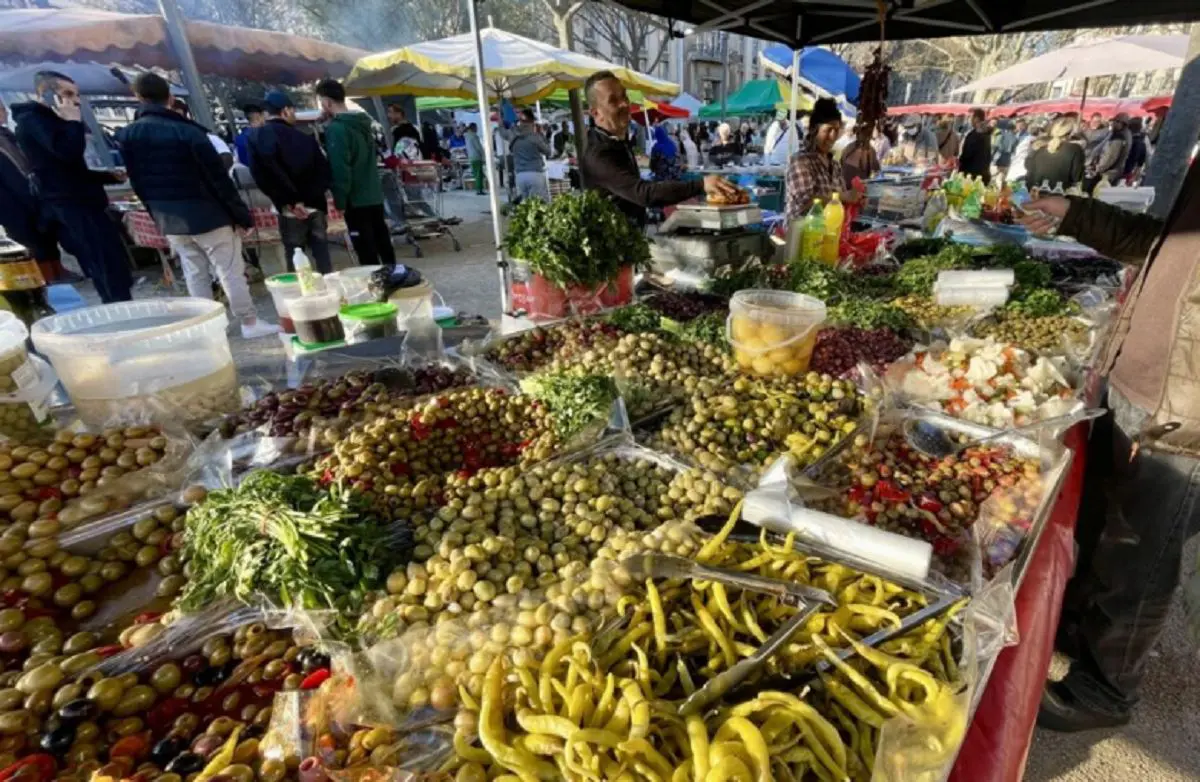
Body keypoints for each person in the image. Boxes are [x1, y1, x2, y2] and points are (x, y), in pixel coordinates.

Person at [1015, 156, 1200, 734]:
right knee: (1103, 522)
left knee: (1143, 548)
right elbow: (1160, 246)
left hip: (1185, 399)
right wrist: (1076, 213)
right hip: (1135, 372)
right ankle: (1076, 628)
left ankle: (1106, 688)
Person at [119, 73, 276, 337]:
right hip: (208, 214)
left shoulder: (128, 136)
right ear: (170, 97)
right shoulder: (188, 132)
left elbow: (138, 182)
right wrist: (240, 215)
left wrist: (157, 215)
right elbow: (217, 179)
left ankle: (208, 327)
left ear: (137, 98)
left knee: (194, 272)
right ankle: (249, 322)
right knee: (229, 271)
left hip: (169, 218)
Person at [12, 71, 131, 303]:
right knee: (104, 263)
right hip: (70, 204)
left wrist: (106, 176)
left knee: (112, 260)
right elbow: (66, 153)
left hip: (80, 199)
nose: (75, 101)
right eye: (67, 94)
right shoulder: (35, 121)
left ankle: (120, 302)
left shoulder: (51, 120)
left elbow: (70, 168)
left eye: (76, 95)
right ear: (46, 94)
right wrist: (72, 122)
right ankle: (118, 308)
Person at [579, 70, 736, 228]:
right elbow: (643, 193)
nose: (624, 104)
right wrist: (701, 185)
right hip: (612, 247)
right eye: (613, 100)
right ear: (596, 113)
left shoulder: (618, 141)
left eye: (624, 96)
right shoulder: (598, 154)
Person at [246, 90, 333, 276]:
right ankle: (331, 291)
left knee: (296, 258)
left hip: (288, 209)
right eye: (293, 110)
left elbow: (263, 176)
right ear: (285, 110)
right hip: (315, 206)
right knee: (322, 255)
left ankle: (301, 299)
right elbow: (324, 172)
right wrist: (309, 199)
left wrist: (291, 202)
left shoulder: (256, 137)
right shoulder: (305, 138)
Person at [315, 79, 394, 267]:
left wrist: (340, 200)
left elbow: (341, 169)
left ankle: (376, 288)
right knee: (382, 241)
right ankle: (395, 278)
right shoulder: (363, 124)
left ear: (327, 102)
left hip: (356, 199)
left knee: (366, 250)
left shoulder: (337, 129)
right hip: (374, 194)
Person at [0, 97, 73, 284]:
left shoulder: (7, 135)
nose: (5, 113)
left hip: (31, 192)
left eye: (3, 108)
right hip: (11, 202)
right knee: (30, 239)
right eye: (1, 110)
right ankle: (45, 276)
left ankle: (59, 270)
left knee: (47, 234)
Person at [784, 98, 861, 220]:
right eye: (828, 130)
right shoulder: (800, 161)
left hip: (828, 235)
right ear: (814, 129)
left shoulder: (835, 165)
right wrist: (842, 197)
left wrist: (856, 199)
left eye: (836, 130)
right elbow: (805, 204)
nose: (832, 136)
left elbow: (841, 202)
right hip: (802, 235)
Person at [1024, 116, 1085, 191]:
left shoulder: (1038, 145)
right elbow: (1076, 177)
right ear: (1070, 134)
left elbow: (1027, 166)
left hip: (1032, 192)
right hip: (1057, 195)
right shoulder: (1075, 149)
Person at [507, 109, 550, 201]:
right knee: (537, 205)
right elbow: (548, 151)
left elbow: (502, 130)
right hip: (535, 174)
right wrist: (541, 134)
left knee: (525, 206)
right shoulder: (535, 137)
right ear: (532, 121)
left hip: (520, 176)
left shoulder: (513, 136)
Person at [1085, 113, 1132, 192]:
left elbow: (1110, 157)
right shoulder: (1124, 134)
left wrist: (1097, 169)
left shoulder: (1119, 137)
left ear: (1122, 124)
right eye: (1114, 121)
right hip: (1112, 171)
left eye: (1116, 121)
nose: (1113, 123)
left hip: (1107, 174)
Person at [957, 108, 992, 184]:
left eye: (971, 117)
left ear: (976, 118)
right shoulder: (986, 133)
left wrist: (960, 161)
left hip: (971, 174)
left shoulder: (977, 133)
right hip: (982, 173)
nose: (970, 120)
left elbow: (968, 153)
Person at [1122, 117, 1148, 185]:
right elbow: (1140, 163)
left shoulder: (1130, 142)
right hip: (1130, 174)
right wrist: (1133, 177)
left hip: (1123, 172)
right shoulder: (1142, 143)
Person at [991, 119, 1017, 183]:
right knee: (1002, 177)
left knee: (994, 176)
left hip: (999, 156)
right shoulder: (1014, 137)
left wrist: (991, 156)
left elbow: (996, 146)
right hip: (1008, 157)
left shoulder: (1000, 134)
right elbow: (1014, 150)